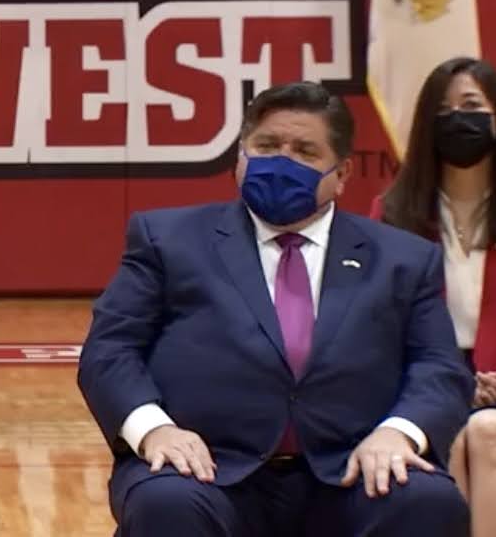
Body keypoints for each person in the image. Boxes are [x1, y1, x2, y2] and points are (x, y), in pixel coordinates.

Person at [77, 80, 473, 537]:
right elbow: (109, 351)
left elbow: (440, 367)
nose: (282, 161)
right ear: (239, 157)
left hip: (351, 469)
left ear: (342, 174)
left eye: (305, 151)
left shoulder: (404, 259)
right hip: (207, 468)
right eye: (266, 145)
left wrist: (399, 433)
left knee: (426, 500)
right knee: (166, 502)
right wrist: (155, 430)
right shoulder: (166, 239)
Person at [372, 56, 496, 536]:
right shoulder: (391, 215)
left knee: (489, 431)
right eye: (442, 111)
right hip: (424, 387)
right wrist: (445, 385)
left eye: (471, 105)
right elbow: (377, 327)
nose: (458, 119)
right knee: (451, 435)